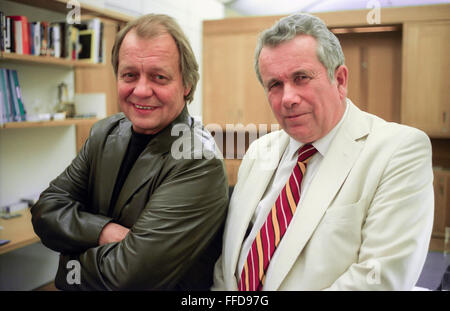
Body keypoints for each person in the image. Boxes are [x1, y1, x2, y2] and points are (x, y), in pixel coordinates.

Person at [212, 13, 434, 291]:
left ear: (340, 80)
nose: (288, 99)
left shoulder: (398, 151)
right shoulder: (259, 151)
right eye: (275, 85)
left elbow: (382, 278)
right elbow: (228, 264)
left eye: (301, 77)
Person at [31, 14, 228, 290]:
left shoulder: (197, 160)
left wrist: (67, 266)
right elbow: (45, 210)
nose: (142, 90)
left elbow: (129, 279)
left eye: (159, 77)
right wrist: (103, 231)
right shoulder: (105, 133)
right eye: (129, 75)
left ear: (186, 85)